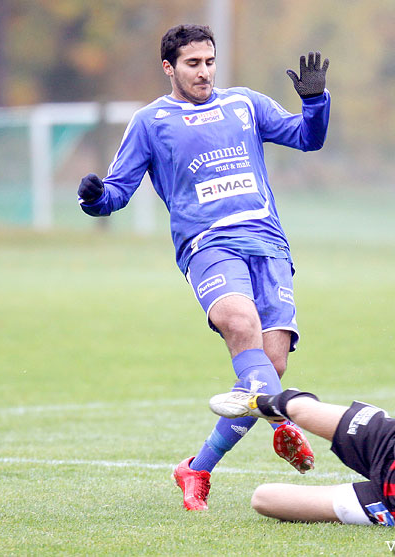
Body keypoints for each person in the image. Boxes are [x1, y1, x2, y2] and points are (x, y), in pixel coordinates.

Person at [76, 24, 331, 511]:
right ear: (169, 67)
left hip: (268, 242)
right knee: (240, 323)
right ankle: (285, 425)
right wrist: (95, 199)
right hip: (207, 244)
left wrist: (316, 102)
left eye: (210, 62)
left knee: (269, 368)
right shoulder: (151, 122)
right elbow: (117, 192)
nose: (204, 72)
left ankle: (196, 469)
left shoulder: (245, 104)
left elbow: (307, 138)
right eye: (193, 64)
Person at [209, 347, 395, 537]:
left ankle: (275, 412)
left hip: (392, 502)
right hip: (390, 445)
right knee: (300, 408)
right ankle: (259, 404)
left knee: (264, 499)